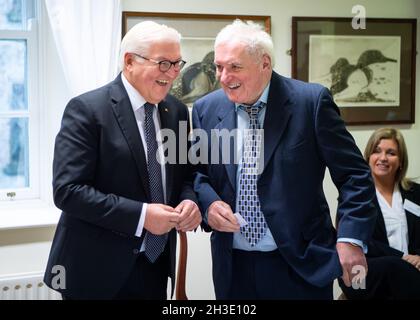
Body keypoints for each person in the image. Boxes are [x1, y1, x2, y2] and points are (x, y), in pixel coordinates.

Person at [192, 19, 377, 300]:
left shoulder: (311, 102)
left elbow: (355, 175)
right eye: (219, 67)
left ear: (264, 63)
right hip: (234, 268)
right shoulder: (207, 108)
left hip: (300, 267)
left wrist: (350, 239)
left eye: (234, 67)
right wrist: (209, 205)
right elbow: (198, 174)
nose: (223, 76)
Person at [44, 21, 201, 300]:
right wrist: (142, 217)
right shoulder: (87, 110)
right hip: (96, 270)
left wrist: (189, 201)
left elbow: (184, 175)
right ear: (130, 62)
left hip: (155, 265)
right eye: (164, 63)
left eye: (177, 63)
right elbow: (68, 191)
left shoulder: (176, 111)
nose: (174, 74)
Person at [339, 127, 420, 299]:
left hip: (413, 271)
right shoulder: (354, 196)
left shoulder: (416, 193)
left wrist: (418, 257)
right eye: (377, 151)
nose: (383, 158)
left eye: (391, 153)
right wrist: (403, 258)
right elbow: (356, 240)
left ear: (400, 161)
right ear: (368, 157)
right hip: (364, 270)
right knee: (392, 267)